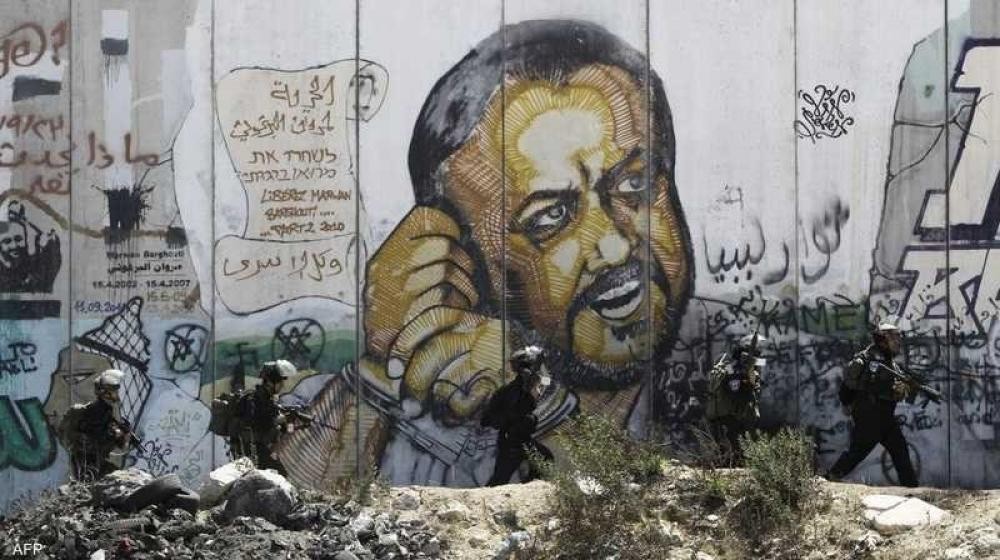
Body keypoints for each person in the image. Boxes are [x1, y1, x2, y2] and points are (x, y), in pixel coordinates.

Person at [827, 323, 920, 487]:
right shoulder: (866, 360)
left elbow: (896, 391)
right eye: (894, 338)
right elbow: (849, 385)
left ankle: (912, 488)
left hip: (885, 417)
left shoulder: (890, 362)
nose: (898, 342)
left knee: (900, 451)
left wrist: (905, 387)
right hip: (869, 417)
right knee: (856, 453)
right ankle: (830, 478)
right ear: (883, 340)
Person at [482, 346, 553, 486]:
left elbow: (547, 381)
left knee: (545, 458)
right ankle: (483, 498)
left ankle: (530, 487)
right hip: (512, 442)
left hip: (521, 440)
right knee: (500, 479)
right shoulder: (516, 389)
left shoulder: (525, 385)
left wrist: (540, 365)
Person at [61, 369, 133, 480]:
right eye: (114, 391)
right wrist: (115, 433)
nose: (117, 394)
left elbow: (120, 445)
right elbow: (97, 436)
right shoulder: (97, 410)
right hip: (88, 464)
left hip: (95, 462)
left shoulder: (106, 411)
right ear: (106, 393)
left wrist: (124, 435)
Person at [705, 333, 766, 466]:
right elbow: (735, 390)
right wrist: (748, 381)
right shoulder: (733, 371)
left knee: (733, 449)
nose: (759, 361)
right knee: (737, 451)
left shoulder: (730, 368)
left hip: (730, 417)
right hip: (734, 418)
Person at [229, 359, 298, 473]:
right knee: (279, 474)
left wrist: (289, 422)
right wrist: (282, 419)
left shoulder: (268, 399)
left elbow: (278, 427)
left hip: (257, 448)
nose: (282, 386)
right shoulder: (255, 399)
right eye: (280, 383)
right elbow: (261, 423)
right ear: (270, 383)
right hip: (250, 449)